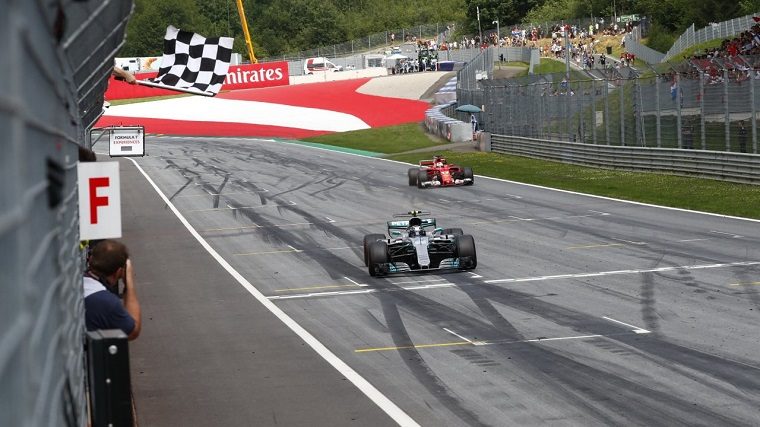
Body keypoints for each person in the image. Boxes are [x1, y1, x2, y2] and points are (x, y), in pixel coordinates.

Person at [83, 240, 141, 340]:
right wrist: (129, 283)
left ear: (91, 259)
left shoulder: (77, 281)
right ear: (119, 271)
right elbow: (132, 331)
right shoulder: (105, 301)